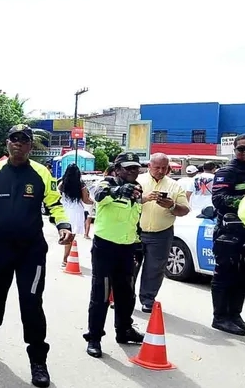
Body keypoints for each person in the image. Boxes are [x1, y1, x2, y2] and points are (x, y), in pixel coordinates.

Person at [0, 124, 73, 388]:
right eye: (13, 139)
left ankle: (38, 362)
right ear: (7, 143)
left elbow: (54, 204)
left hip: (31, 251)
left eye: (23, 141)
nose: (18, 144)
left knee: (32, 304)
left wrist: (63, 226)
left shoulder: (41, 174)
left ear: (31, 146)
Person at [84, 152, 146, 357]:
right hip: (105, 248)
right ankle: (94, 337)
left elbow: (134, 217)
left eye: (136, 168)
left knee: (126, 294)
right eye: (128, 168)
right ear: (117, 169)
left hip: (127, 248)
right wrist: (119, 191)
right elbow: (97, 196)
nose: (133, 171)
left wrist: (138, 242)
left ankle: (124, 330)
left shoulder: (138, 189)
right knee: (101, 295)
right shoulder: (105, 183)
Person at [135, 153, 189, 312]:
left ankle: (148, 299)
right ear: (149, 166)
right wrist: (144, 198)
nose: (160, 171)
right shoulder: (137, 181)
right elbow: (125, 203)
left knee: (155, 269)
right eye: (157, 167)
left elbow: (184, 210)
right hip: (134, 232)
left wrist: (171, 206)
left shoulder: (174, 185)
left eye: (164, 168)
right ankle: (122, 298)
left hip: (161, 234)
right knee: (128, 267)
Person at [210, 136, 245, 336]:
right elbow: (219, 199)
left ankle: (235, 315)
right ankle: (220, 317)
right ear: (234, 150)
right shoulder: (226, 171)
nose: (244, 153)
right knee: (225, 274)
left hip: (244, 232)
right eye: (241, 149)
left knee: (242, 276)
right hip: (228, 233)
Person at [58, 163, 92, 264]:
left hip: (64, 210)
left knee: (66, 234)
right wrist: (94, 202)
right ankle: (65, 259)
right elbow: (86, 200)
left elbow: (58, 194)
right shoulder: (81, 184)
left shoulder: (62, 183)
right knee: (71, 236)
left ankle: (65, 257)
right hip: (76, 211)